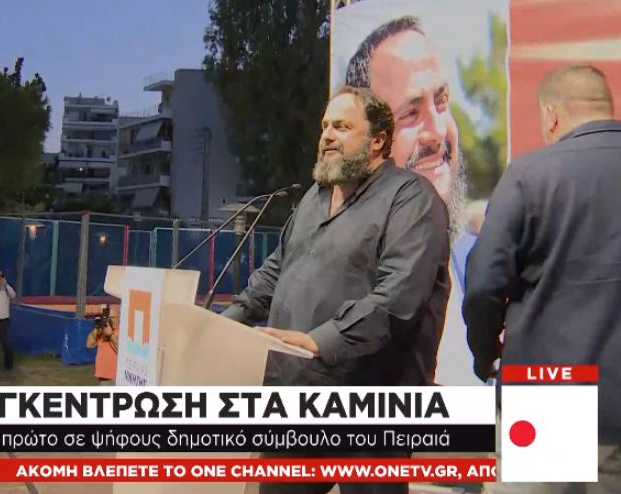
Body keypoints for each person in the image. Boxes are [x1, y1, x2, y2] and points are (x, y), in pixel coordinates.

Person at [223, 87, 450, 494]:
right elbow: (277, 270)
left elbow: (398, 296)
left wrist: (320, 340)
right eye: (325, 126)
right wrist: (226, 322)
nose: (327, 135)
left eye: (342, 127)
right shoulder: (314, 197)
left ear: (378, 140)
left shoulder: (411, 198)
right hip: (296, 395)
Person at [464, 64, 621, 493]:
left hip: (547, 397)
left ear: (551, 115)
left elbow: (483, 285)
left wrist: (485, 355)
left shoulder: (529, 175)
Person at [345, 15, 482, 385]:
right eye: (410, 113)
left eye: (441, 101)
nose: (437, 131)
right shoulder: (339, 275)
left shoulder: (483, 265)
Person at [86, 304, 119, 385]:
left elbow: (123, 351)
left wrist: (111, 335)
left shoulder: (122, 331)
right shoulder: (102, 330)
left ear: (118, 318)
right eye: (107, 318)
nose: (108, 320)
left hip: (116, 378)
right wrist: (96, 328)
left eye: (111, 318)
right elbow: (89, 344)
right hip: (103, 378)